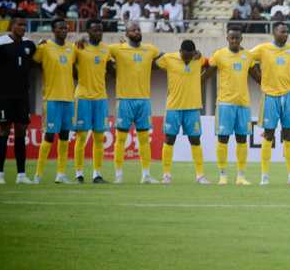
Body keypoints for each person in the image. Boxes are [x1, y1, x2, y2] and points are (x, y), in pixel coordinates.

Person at [105, 22, 160, 183]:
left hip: (144, 100)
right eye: (133, 30)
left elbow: (163, 58)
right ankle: (119, 175)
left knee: (144, 139)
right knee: (120, 138)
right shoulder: (117, 49)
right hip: (124, 100)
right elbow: (98, 50)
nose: (137, 32)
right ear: (126, 33)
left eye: (138, 29)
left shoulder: (150, 49)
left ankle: (146, 175)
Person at [249, 21, 290, 185]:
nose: (285, 35)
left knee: (288, 134)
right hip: (270, 96)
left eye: (287, 32)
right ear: (274, 33)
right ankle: (264, 176)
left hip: (288, 96)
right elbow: (246, 59)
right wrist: (258, 78)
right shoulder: (262, 49)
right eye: (282, 32)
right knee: (268, 134)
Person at [0, 16, 36, 184]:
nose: (23, 27)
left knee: (21, 132)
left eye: (24, 25)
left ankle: (21, 175)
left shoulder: (29, 45)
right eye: (19, 24)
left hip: (22, 96)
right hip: (5, 95)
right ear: (12, 25)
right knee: (4, 132)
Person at [154, 41, 209, 184]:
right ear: (180, 51)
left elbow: (210, 64)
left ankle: (200, 175)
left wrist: (201, 79)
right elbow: (154, 64)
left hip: (193, 107)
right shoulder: (168, 58)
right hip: (173, 107)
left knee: (195, 140)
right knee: (169, 139)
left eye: (190, 56)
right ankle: (166, 175)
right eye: (185, 56)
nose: (188, 59)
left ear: (194, 53)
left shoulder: (198, 59)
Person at [207, 25, 253, 185]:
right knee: (223, 139)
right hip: (225, 103)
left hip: (243, 104)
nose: (234, 40)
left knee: (242, 139)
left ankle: (241, 176)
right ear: (227, 38)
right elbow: (207, 72)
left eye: (237, 38)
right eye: (231, 37)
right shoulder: (219, 55)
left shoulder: (247, 56)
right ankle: (223, 175)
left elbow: (258, 76)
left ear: (241, 39)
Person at [33, 18, 76, 184]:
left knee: (65, 136)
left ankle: (61, 174)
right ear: (53, 30)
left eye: (65, 27)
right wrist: (36, 45)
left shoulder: (72, 49)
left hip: (68, 99)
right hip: (51, 99)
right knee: (49, 136)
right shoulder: (44, 48)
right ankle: (38, 174)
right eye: (60, 28)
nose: (64, 30)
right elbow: (32, 62)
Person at [71, 19, 111, 184]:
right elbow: (69, 63)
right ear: (88, 31)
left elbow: (123, 50)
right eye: (95, 30)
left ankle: (97, 174)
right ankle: (79, 173)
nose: (98, 33)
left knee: (99, 137)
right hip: (83, 98)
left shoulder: (106, 49)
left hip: (101, 98)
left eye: (100, 30)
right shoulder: (78, 47)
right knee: (81, 137)